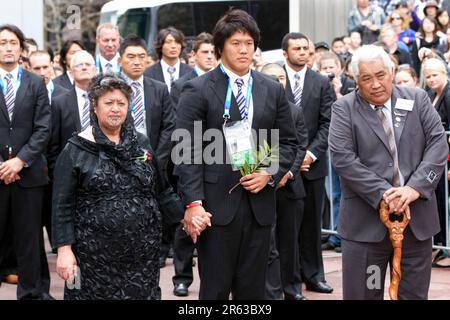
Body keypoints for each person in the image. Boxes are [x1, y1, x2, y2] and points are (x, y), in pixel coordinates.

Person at [175, 9, 298, 300]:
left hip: (259, 205)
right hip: (216, 207)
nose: (244, 50)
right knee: (215, 290)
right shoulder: (197, 89)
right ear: (220, 47)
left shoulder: (271, 88)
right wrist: (193, 203)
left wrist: (269, 172)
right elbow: (187, 150)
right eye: (235, 43)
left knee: (253, 291)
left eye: (249, 43)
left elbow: (288, 141)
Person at [329, 45, 448, 299]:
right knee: (365, 293)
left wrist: (413, 189)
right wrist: (387, 194)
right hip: (366, 229)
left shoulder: (417, 99)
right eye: (366, 78)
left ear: (391, 71)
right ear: (355, 80)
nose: (375, 84)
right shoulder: (344, 109)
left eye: (380, 75)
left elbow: (438, 144)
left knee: (413, 295)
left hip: (416, 226)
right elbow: (343, 159)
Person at [52, 74, 163, 300]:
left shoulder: (141, 143)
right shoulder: (76, 149)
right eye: (108, 103)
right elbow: (61, 205)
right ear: (95, 106)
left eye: (121, 103)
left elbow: (162, 189)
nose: (115, 109)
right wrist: (64, 250)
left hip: (141, 255)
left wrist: (190, 216)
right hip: (91, 257)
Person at [0, 24, 52, 299]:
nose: (8, 47)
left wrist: (19, 161)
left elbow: (43, 128)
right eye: (2, 42)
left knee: (29, 241)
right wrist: (3, 164)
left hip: (28, 176)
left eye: (12, 43)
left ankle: (31, 294)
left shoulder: (35, 83)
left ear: (21, 49)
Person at [281, 32, 335, 294]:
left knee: (312, 225)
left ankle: (313, 275)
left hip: (312, 166)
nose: (303, 52)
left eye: (306, 48)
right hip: (282, 166)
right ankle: (286, 279)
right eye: (297, 48)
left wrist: (310, 154)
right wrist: (291, 158)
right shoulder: (273, 79)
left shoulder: (321, 82)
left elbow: (328, 122)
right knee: (286, 226)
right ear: (285, 53)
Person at [118, 34, 176, 270]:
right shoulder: (111, 87)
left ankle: (159, 251)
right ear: (120, 60)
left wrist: (155, 157)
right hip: (121, 162)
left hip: (155, 161)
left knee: (156, 208)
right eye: (130, 57)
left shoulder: (159, 88)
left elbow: (169, 125)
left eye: (141, 57)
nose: (136, 62)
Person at [170, 32, 216, 297]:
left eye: (213, 52)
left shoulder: (223, 81)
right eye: (205, 52)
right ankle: (182, 277)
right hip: (190, 160)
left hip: (217, 160)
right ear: (194, 55)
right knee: (186, 222)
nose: (209, 56)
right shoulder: (182, 85)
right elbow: (183, 129)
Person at [260, 63, 308, 300]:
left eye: (282, 77)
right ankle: (270, 292)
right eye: (272, 77)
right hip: (260, 184)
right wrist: (268, 173)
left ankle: (291, 288)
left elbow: (299, 145)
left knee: (289, 241)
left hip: (288, 185)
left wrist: (286, 173)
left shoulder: (294, 110)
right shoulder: (253, 109)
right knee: (266, 244)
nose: (278, 82)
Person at [48, 50, 98, 178]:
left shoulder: (105, 100)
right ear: (71, 72)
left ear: (95, 70)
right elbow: (53, 144)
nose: (84, 67)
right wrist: (56, 172)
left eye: (88, 64)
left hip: (101, 169)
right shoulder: (59, 102)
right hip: (68, 170)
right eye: (79, 65)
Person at [144, 27, 192, 92]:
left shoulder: (191, 72)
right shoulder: (148, 74)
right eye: (168, 42)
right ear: (160, 46)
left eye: (177, 42)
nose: (173, 46)